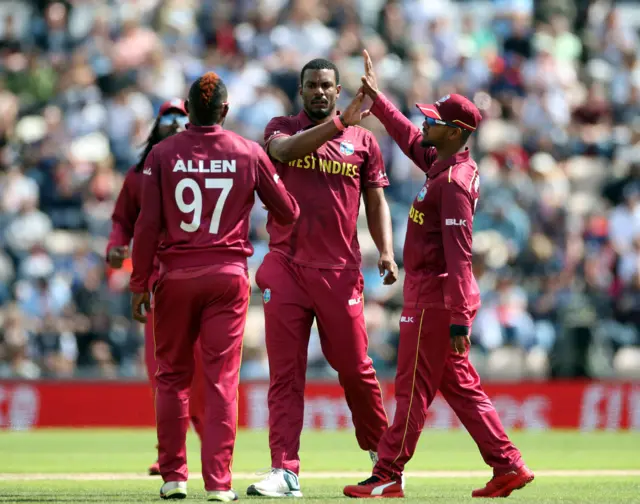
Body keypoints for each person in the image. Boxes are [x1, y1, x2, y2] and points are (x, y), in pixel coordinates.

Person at [342, 51, 534, 499]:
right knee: (462, 389)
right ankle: (508, 465)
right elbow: (409, 136)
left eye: (434, 121)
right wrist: (378, 99)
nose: (425, 125)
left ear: (455, 132)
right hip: (436, 297)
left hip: (435, 298)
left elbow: (460, 255)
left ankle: (388, 471)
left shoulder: (451, 184)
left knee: (411, 389)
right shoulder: (442, 164)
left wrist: (460, 317)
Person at [129, 72, 299, 502]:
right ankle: (219, 485)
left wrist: (138, 282)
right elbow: (289, 211)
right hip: (227, 275)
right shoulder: (248, 151)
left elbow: (146, 225)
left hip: (174, 275)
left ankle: (173, 477)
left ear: (187, 110)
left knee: (171, 378)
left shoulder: (163, 153)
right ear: (225, 110)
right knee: (222, 381)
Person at [247, 58, 397, 499]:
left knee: (355, 369)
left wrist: (386, 250)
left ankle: (383, 461)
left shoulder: (364, 140)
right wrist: (339, 122)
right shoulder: (281, 127)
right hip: (287, 266)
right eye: (311, 85)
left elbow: (376, 201)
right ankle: (285, 470)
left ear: (337, 89)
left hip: (341, 272)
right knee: (286, 375)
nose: (319, 91)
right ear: (301, 90)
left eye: (326, 85)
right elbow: (285, 153)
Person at [105, 98, 206, 476]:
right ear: (158, 123)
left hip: (201, 275)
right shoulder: (138, 174)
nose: (176, 121)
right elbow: (122, 220)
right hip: (161, 282)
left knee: (200, 371)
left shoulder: (205, 166)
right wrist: (116, 247)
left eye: (183, 114)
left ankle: (206, 447)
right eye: (169, 115)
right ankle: (171, 452)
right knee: (162, 370)